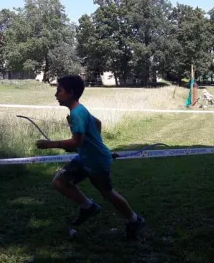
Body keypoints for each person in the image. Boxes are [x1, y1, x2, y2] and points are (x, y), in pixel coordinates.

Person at [35, 75, 145, 240]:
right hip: (85, 157)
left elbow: (76, 142)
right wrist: (90, 145)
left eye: (59, 91)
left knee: (107, 193)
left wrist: (50, 144)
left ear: (70, 93)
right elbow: (97, 123)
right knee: (60, 182)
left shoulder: (77, 114)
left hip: (96, 161)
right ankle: (88, 207)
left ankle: (134, 220)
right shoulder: (79, 110)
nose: (56, 95)